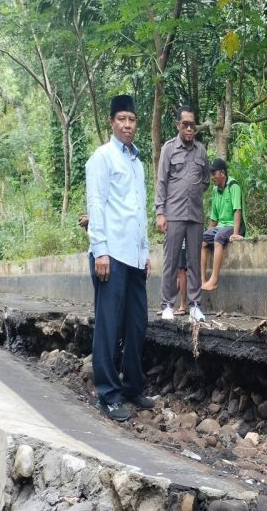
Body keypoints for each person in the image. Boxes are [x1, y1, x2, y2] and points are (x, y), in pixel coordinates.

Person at [85, 94, 154, 422]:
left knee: (137, 324)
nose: (128, 125)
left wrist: (146, 252)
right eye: (122, 119)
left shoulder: (137, 163)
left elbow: (139, 211)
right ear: (112, 122)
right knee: (109, 327)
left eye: (132, 120)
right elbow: (97, 203)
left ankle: (131, 387)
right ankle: (108, 394)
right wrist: (100, 250)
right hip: (110, 255)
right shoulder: (102, 158)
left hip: (134, 257)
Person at [155, 106, 210, 321]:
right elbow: (161, 182)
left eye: (192, 125)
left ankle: (195, 305)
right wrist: (161, 212)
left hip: (195, 215)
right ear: (178, 125)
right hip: (174, 214)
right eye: (185, 124)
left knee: (194, 260)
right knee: (171, 260)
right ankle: (167, 304)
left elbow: (205, 180)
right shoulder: (169, 149)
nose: (189, 128)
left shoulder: (201, 150)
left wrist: (193, 192)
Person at [201, 158, 244, 291]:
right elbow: (214, 217)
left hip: (234, 226)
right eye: (211, 174)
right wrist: (207, 235)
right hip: (220, 226)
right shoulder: (215, 190)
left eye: (214, 174)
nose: (212, 177)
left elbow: (237, 210)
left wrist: (236, 233)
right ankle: (202, 281)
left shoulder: (233, 186)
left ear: (223, 173)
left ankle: (214, 280)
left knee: (218, 238)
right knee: (201, 240)